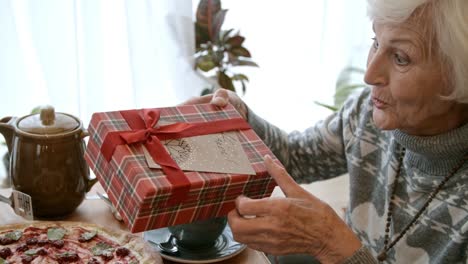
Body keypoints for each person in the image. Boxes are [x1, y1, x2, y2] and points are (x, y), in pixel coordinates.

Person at [185, 0, 468, 262]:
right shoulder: (366, 113)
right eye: (375, 41)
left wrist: (332, 243)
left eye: (401, 58)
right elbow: (296, 158)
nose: (370, 74)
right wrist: (243, 118)